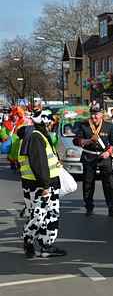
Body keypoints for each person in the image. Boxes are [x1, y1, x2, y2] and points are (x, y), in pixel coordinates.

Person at [17, 110, 66, 257]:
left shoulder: (35, 135)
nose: (51, 124)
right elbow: (39, 163)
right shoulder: (36, 137)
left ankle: (46, 245)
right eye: (49, 121)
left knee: (48, 215)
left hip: (38, 184)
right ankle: (29, 240)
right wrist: (45, 186)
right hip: (41, 185)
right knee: (40, 216)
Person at [73, 104, 113, 217]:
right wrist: (89, 141)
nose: (94, 116)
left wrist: (108, 152)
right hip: (89, 156)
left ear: (101, 114)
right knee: (88, 183)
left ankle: (111, 208)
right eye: (92, 114)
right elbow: (76, 141)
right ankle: (89, 207)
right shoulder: (84, 126)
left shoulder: (109, 126)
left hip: (104, 157)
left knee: (109, 183)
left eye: (96, 114)